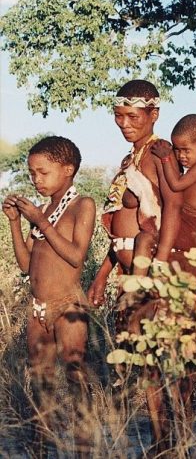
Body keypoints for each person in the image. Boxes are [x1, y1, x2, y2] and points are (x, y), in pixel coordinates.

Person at [87, 79, 182, 451]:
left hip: (150, 272)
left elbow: (170, 212)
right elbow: (121, 229)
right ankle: (161, 439)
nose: (124, 123)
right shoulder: (130, 160)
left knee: (155, 360)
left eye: (132, 115)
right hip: (128, 271)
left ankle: (169, 440)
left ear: (153, 114)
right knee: (140, 359)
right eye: (118, 116)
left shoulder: (161, 155)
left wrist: (155, 268)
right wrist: (101, 276)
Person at [3, 136, 96, 454]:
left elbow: (75, 256)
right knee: (40, 376)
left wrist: (39, 220)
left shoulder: (82, 205)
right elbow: (27, 265)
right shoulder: (42, 210)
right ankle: (42, 442)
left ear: (67, 170)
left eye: (43, 172)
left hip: (69, 305)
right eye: (32, 174)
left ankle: (83, 445)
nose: (36, 180)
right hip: (38, 308)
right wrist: (16, 223)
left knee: (75, 372)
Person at [151, 114, 196, 279]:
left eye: (186, 150)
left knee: (150, 238)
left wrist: (165, 158)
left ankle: (158, 265)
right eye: (176, 150)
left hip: (193, 225)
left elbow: (176, 185)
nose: (180, 156)